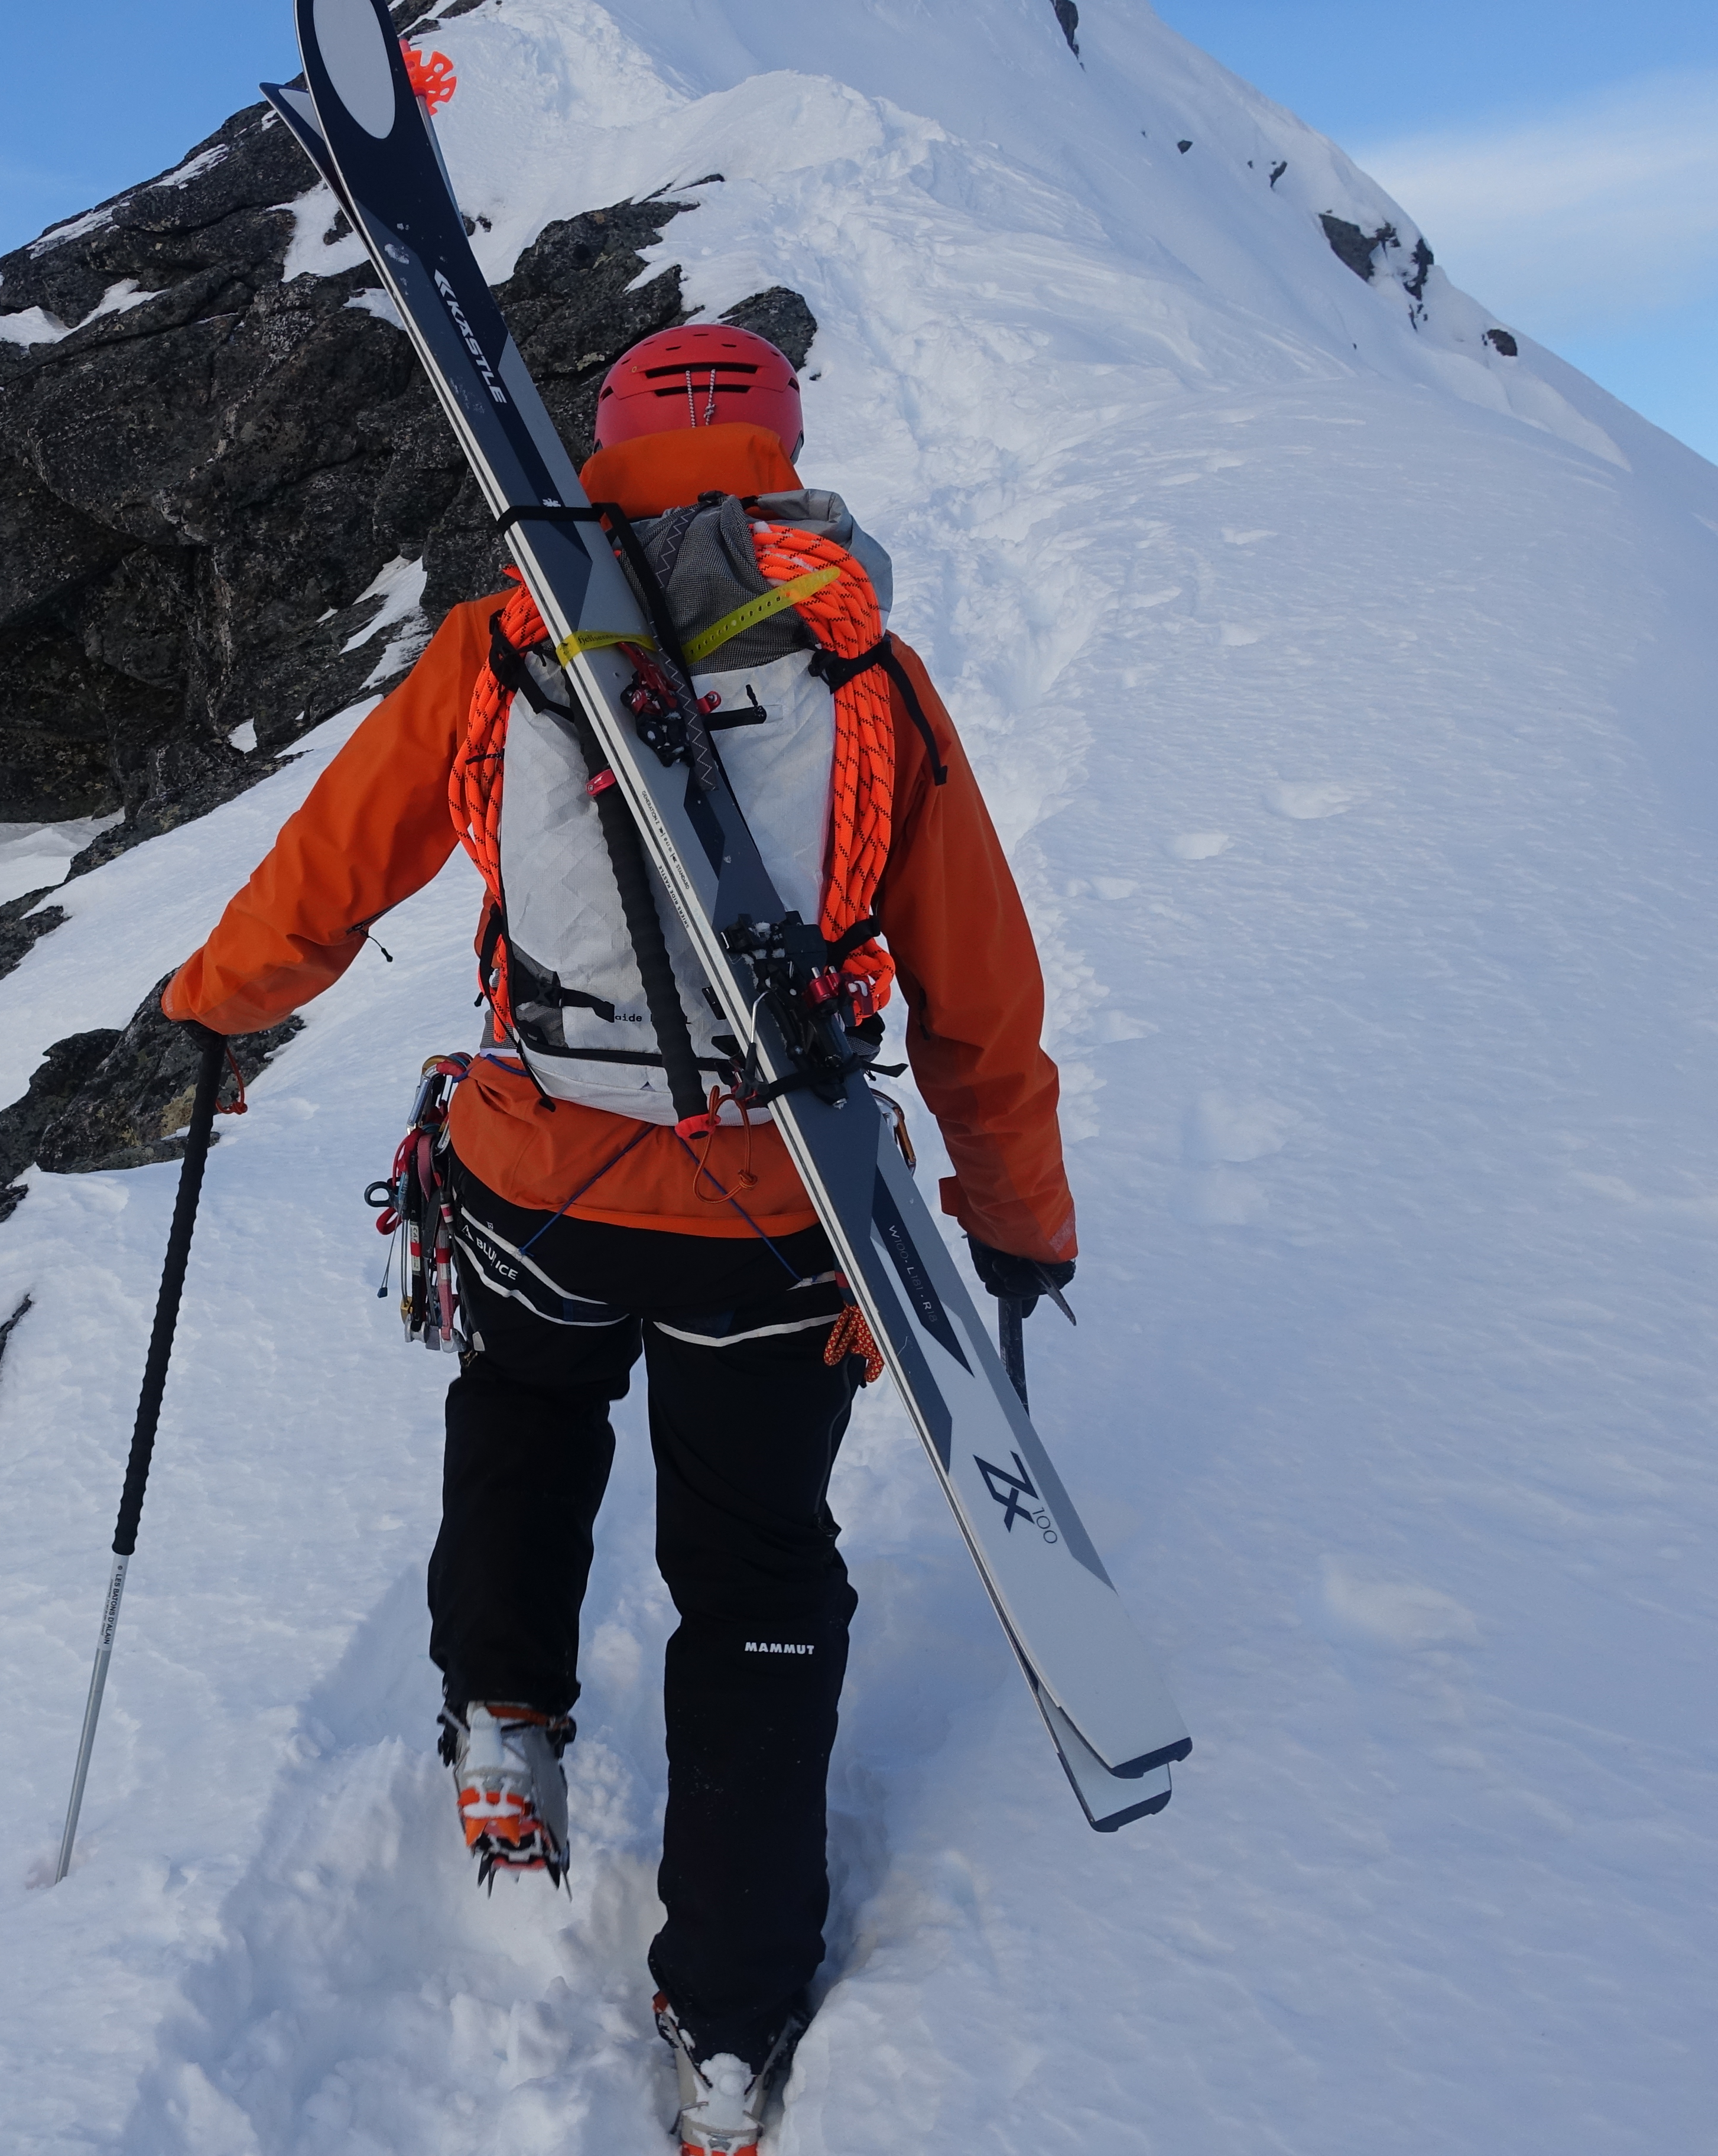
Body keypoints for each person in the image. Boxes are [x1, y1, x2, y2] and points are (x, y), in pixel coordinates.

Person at [160, 322, 1078, 2156]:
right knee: (753, 1579)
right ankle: (726, 2026)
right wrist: (1015, 1216)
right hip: (775, 1214)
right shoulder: (863, 666)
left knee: (521, 1421)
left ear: (607, 447)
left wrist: (217, 1003)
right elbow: (978, 983)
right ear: (782, 452)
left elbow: (344, 859)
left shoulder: (510, 638)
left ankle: (504, 1716)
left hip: (535, 1175)